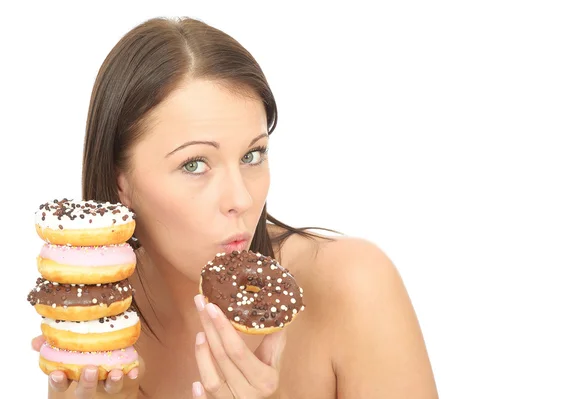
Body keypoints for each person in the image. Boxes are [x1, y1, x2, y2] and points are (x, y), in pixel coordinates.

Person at [30, 16, 439, 398]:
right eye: (194, 165)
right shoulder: (92, 332)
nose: (242, 200)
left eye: (253, 155)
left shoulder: (353, 285)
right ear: (123, 183)